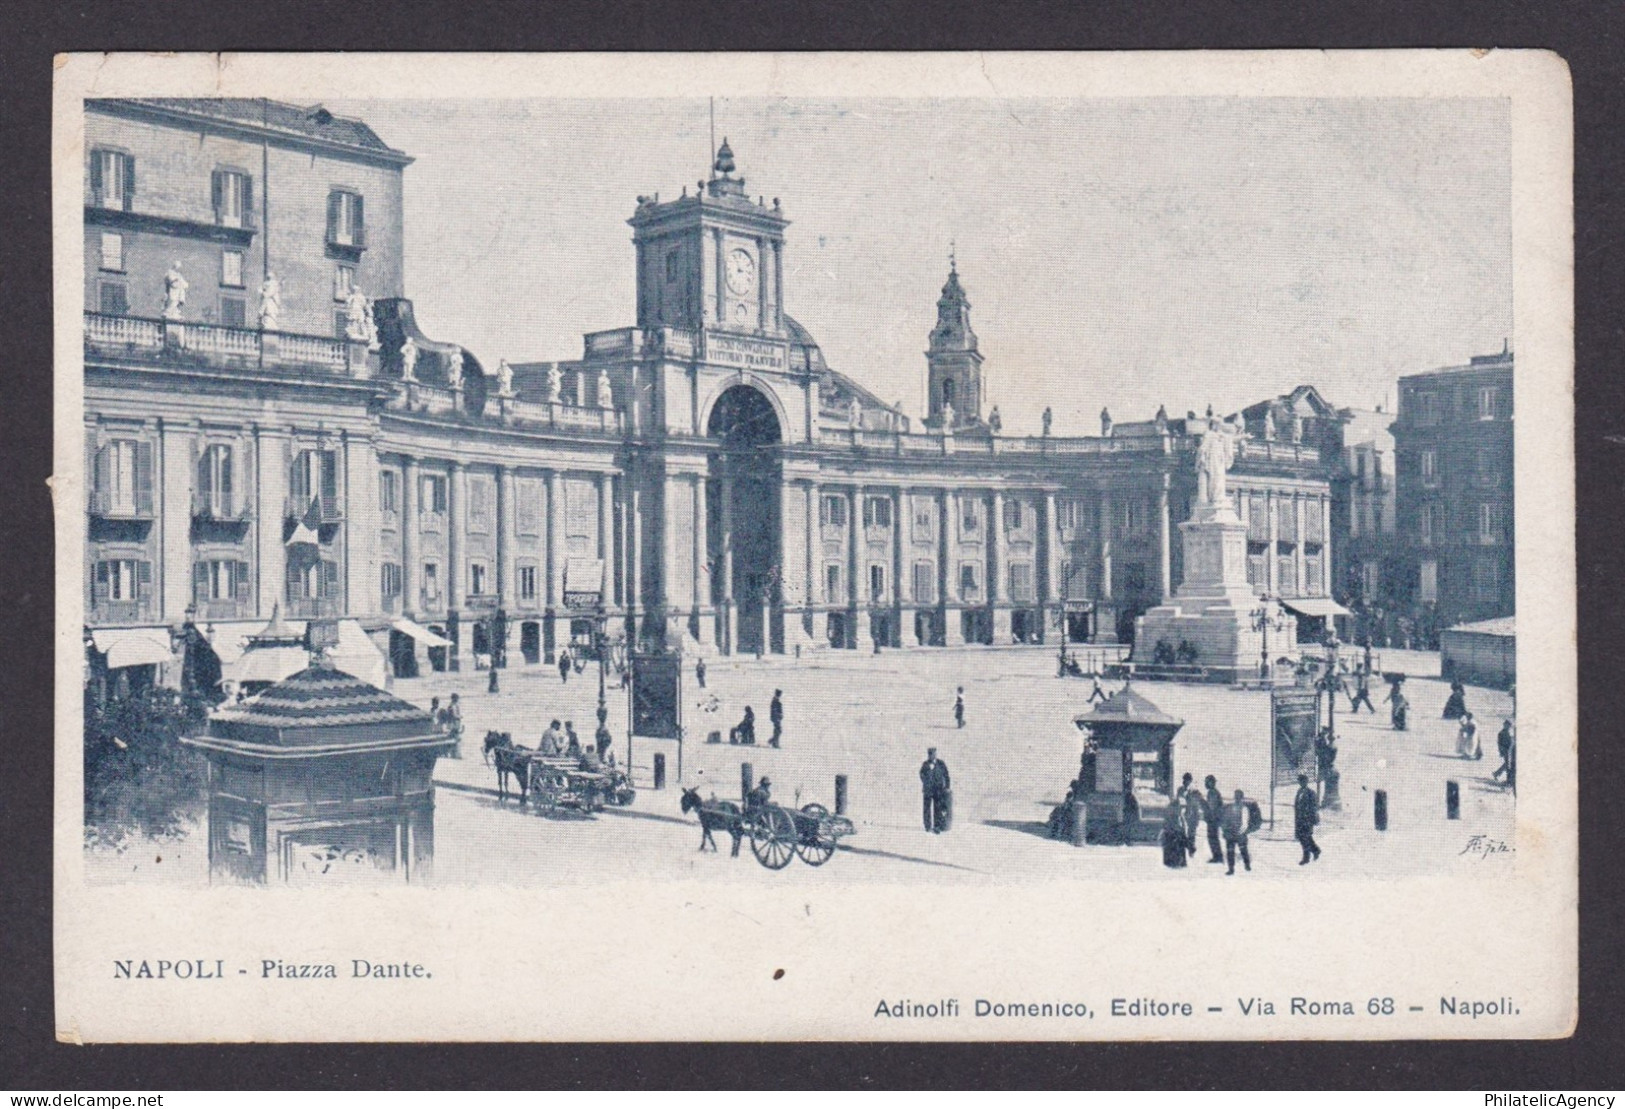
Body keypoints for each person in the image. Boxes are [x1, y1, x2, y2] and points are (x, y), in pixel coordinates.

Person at [1222, 789, 1259, 875]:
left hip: (1240, 834)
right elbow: (1226, 820)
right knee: (1230, 851)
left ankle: (1247, 865)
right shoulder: (1230, 807)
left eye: (1239, 797)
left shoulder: (1244, 808)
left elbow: (1245, 823)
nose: (1237, 798)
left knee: (1243, 850)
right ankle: (1231, 869)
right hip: (1231, 833)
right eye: (1236, 796)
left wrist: (1240, 832)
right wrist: (1226, 830)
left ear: (1241, 798)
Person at [919, 748, 952, 834]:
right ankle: (927, 826)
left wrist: (947, 787)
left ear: (935, 754)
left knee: (938, 808)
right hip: (928, 790)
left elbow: (946, 775)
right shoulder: (925, 764)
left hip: (938, 790)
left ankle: (937, 826)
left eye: (933, 754)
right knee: (926, 808)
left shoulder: (941, 764)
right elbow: (921, 775)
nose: (931, 755)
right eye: (930, 754)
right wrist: (926, 782)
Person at [1294, 773, 1322, 865]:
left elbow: (1314, 807)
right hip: (1299, 820)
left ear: (1306, 782)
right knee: (1306, 838)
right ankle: (1316, 850)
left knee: (1305, 838)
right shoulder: (1299, 792)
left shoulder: (1311, 793)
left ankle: (1306, 858)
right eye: (1300, 781)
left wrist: (1312, 820)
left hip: (1307, 820)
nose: (1301, 783)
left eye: (1303, 781)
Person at [1203, 776, 1225, 864]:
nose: (1205, 784)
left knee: (1212, 838)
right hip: (1214, 819)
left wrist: (1208, 817)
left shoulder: (1212, 793)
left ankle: (1217, 857)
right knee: (1213, 838)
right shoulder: (1213, 792)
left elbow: (1212, 807)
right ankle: (1217, 856)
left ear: (1211, 783)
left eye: (1207, 782)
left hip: (1213, 819)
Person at [1173, 773, 1196, 855]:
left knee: (1191, 833)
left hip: (1190, 813)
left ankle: (1191, 849)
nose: (1186, 782)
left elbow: (1193, 803)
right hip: (1182, 812)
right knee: (1183, 831)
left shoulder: (1192, 791)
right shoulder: (1180, 789)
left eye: (1188, 780)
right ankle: (1189, 848)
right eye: (1185, 780)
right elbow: (1179, 800)